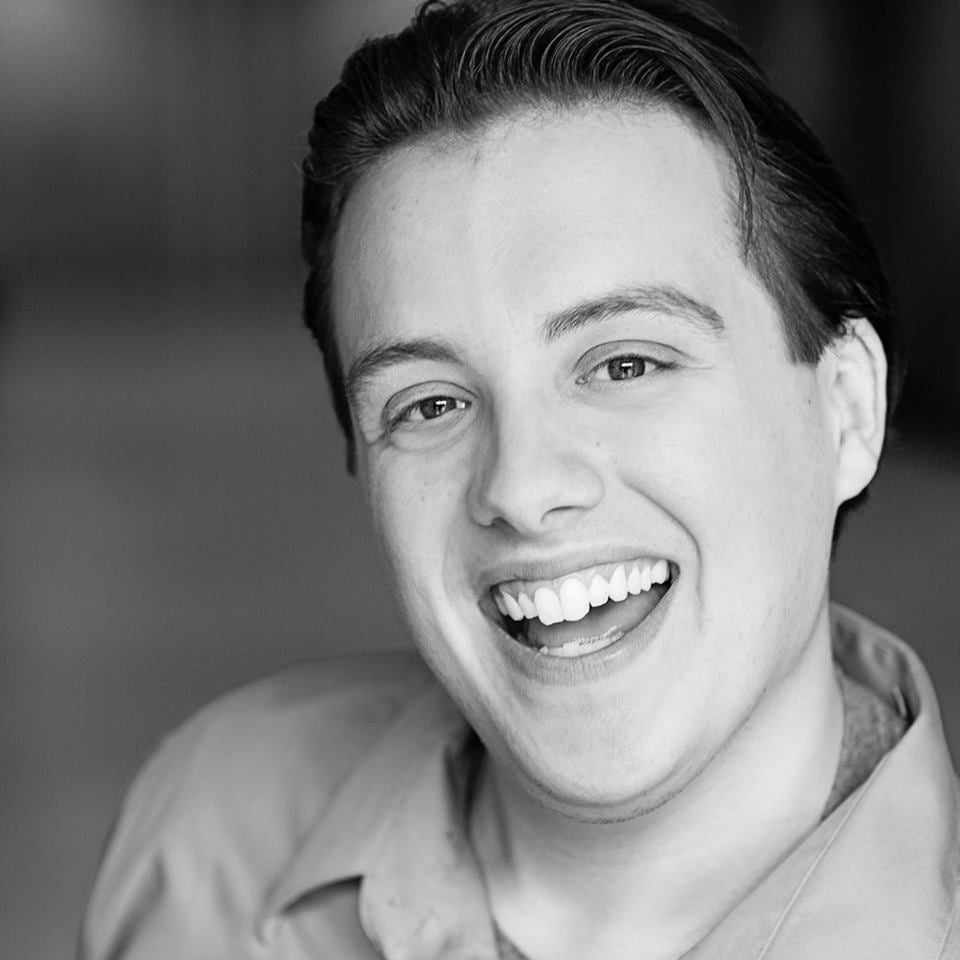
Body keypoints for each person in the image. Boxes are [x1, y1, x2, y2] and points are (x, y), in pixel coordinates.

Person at [80, 1, 960, 957]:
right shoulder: (210, 832)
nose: (522, 487)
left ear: (846, 410)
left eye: (625, 363)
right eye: (430, 404)